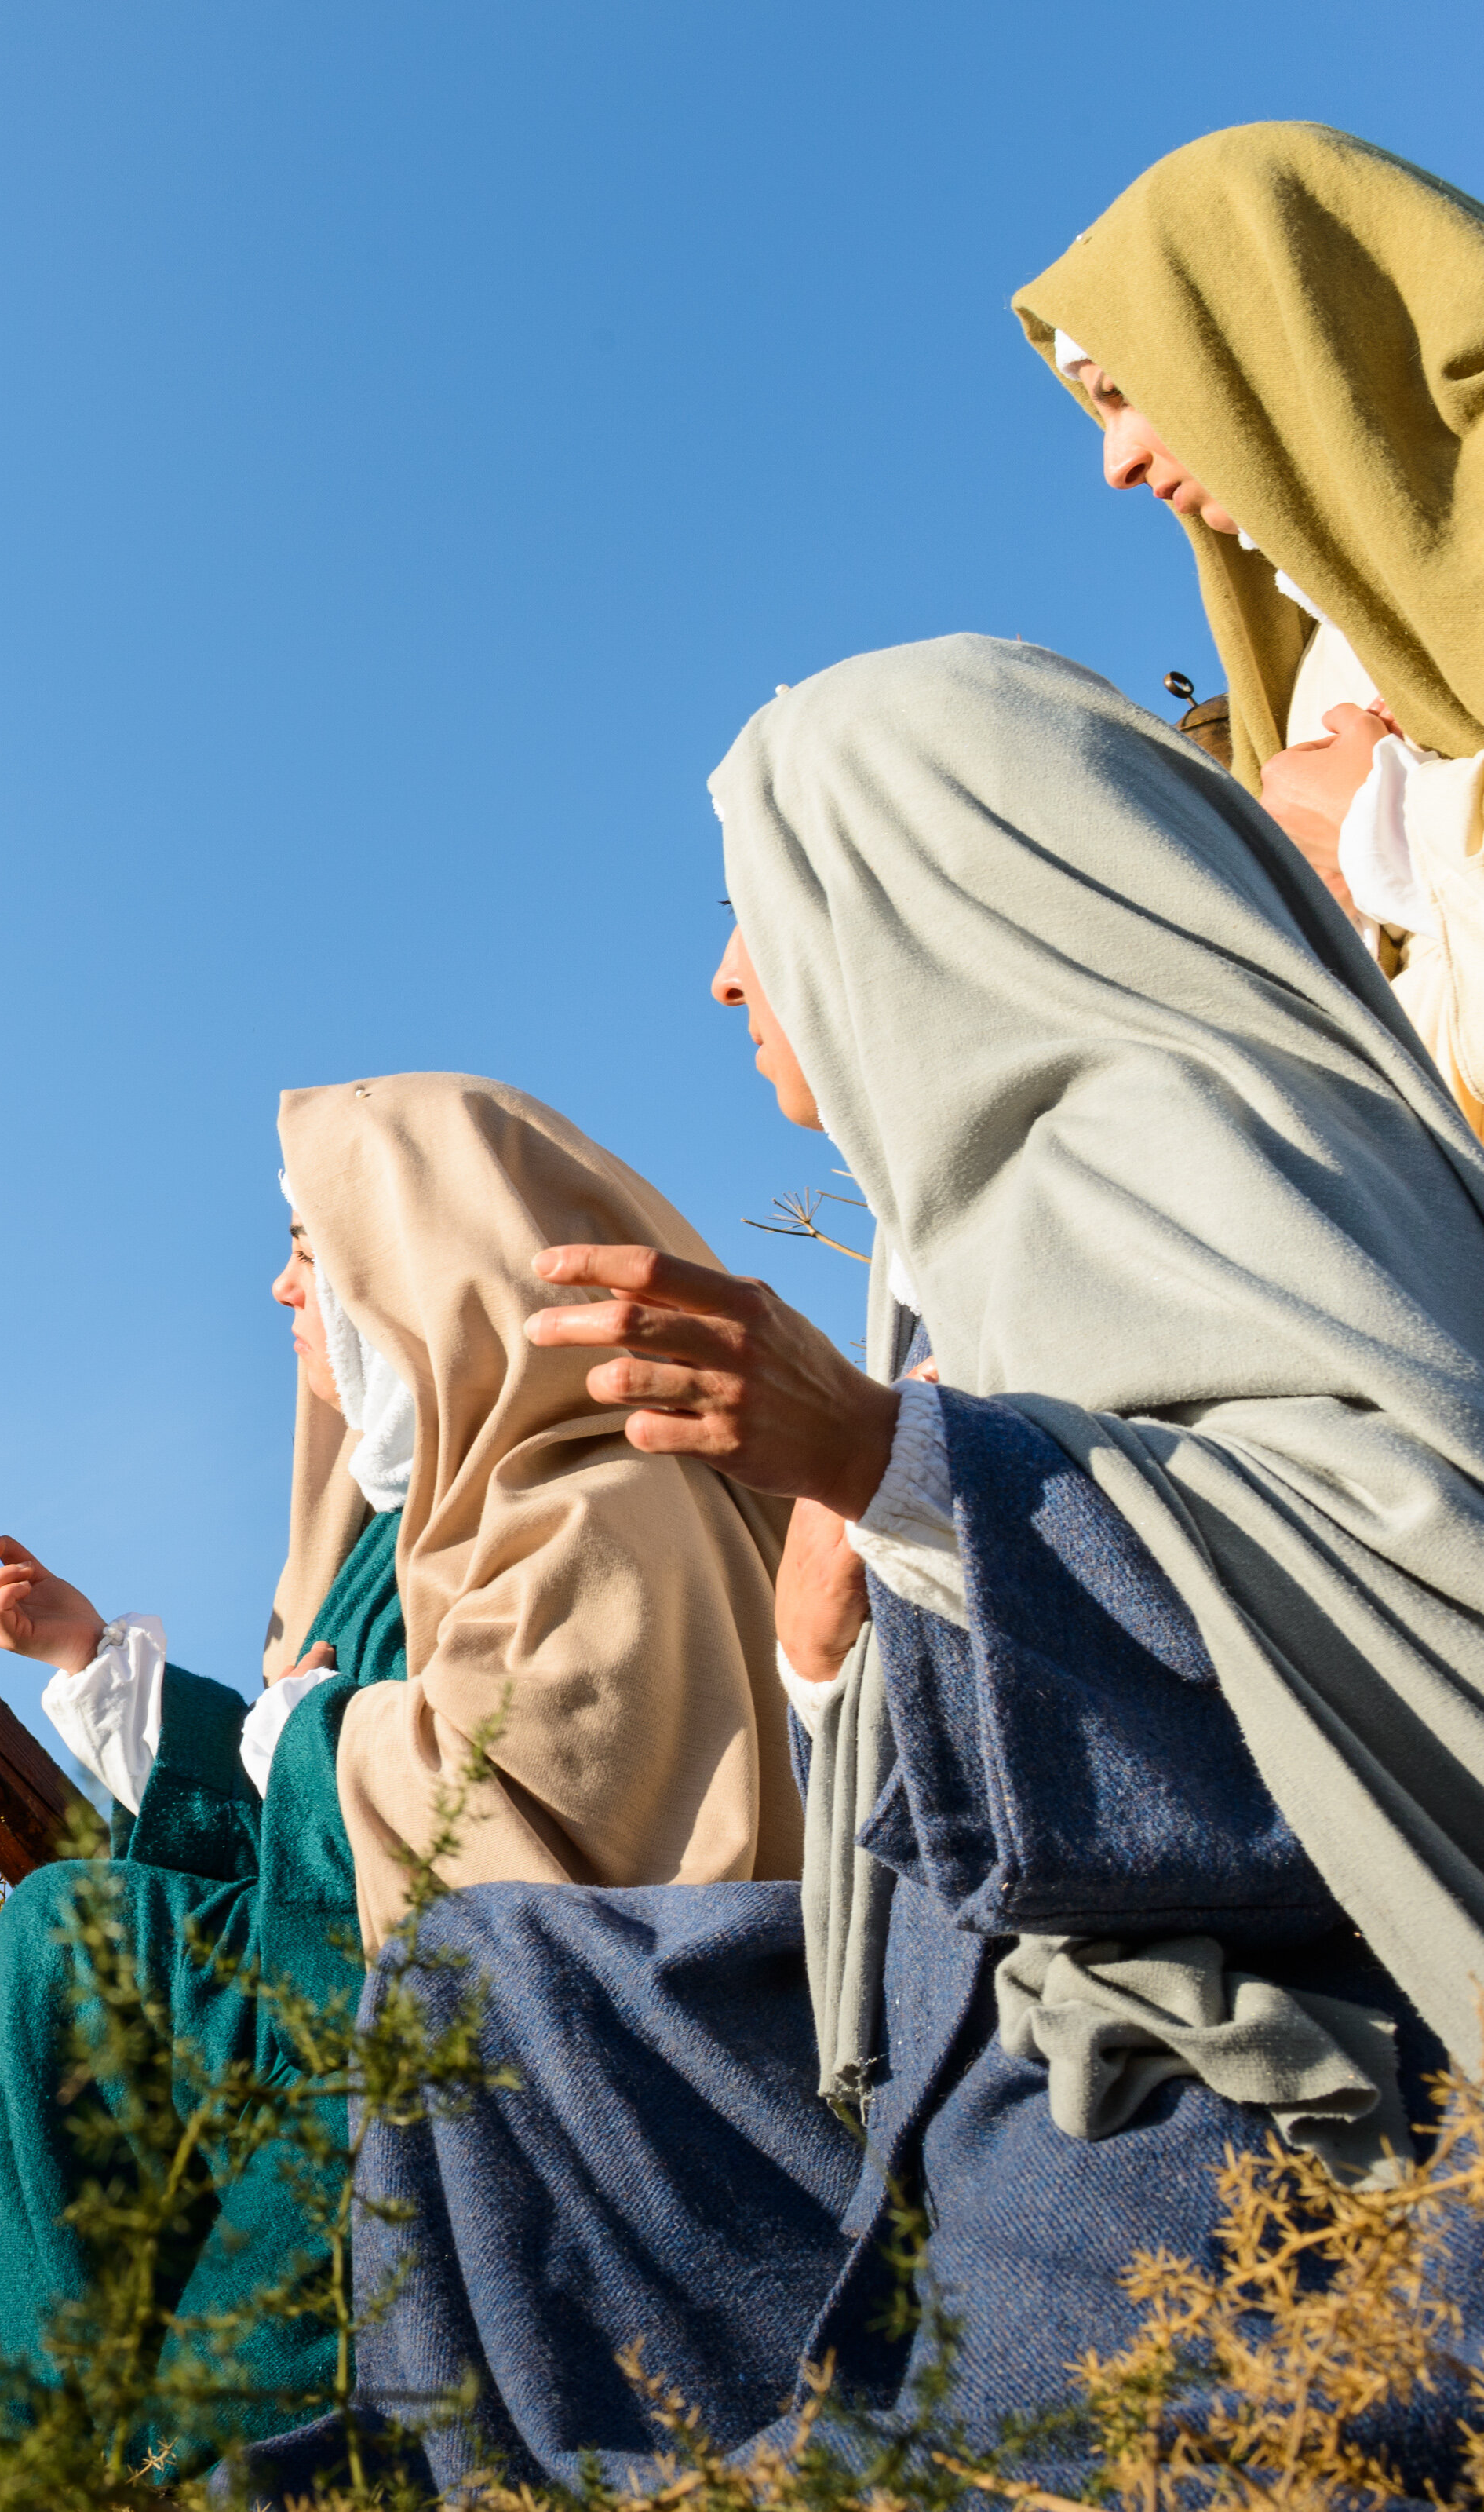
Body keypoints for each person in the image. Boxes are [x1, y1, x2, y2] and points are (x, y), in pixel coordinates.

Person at [305, 635, 1484, 2487]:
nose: (715, 975)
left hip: (1246, 2132)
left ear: (928, 880)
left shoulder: (1210, 1146)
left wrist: (896, 1463)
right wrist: (824, 1651)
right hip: (977, 2088)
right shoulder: (955, 1253)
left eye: (755, 909)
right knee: (490, 1985)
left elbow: (1417, 1609)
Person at [0, 1072, 793, 2470]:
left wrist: (313, 1740)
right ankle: (42, 2452)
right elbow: (302, 1811)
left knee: (66, 1943)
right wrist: (105, 1664)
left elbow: (539, 1830)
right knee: (71, 1937)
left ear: (421, 1273)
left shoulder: (601, 1504)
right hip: (346, 1994)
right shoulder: (412, 1540)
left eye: (309, 1256)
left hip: (517, 2060)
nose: (280, 1297)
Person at [1014, 122, 1484, 1126]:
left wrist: (1384, 830)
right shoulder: (1319, 670)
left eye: (1123, 392)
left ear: (1269, 324)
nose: (1119, 464)